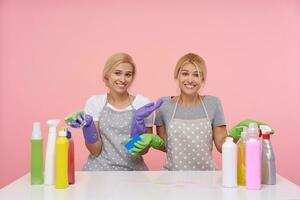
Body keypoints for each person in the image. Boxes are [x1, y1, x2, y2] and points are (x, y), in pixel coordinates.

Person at [131, 53, 228, 170]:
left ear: (202, 79)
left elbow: (222, 145)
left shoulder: (213, 103)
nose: (190, 80)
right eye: (185, 74)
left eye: (196, 75)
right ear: (177, 75)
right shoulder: (164, 104)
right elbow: (164, 146)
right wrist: (150, 138)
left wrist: (238, 135)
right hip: (173, 176)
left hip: (206, 176)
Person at [65, 52, 161, 171]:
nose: (123, 79)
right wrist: (88, 127)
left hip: (133, 171)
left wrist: (139, 126)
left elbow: (141, 151)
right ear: (107, 75)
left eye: (128, 74)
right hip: (99, 170)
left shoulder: (142, 104)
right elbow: (95, 151)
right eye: (117, 73)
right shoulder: (95, 103)